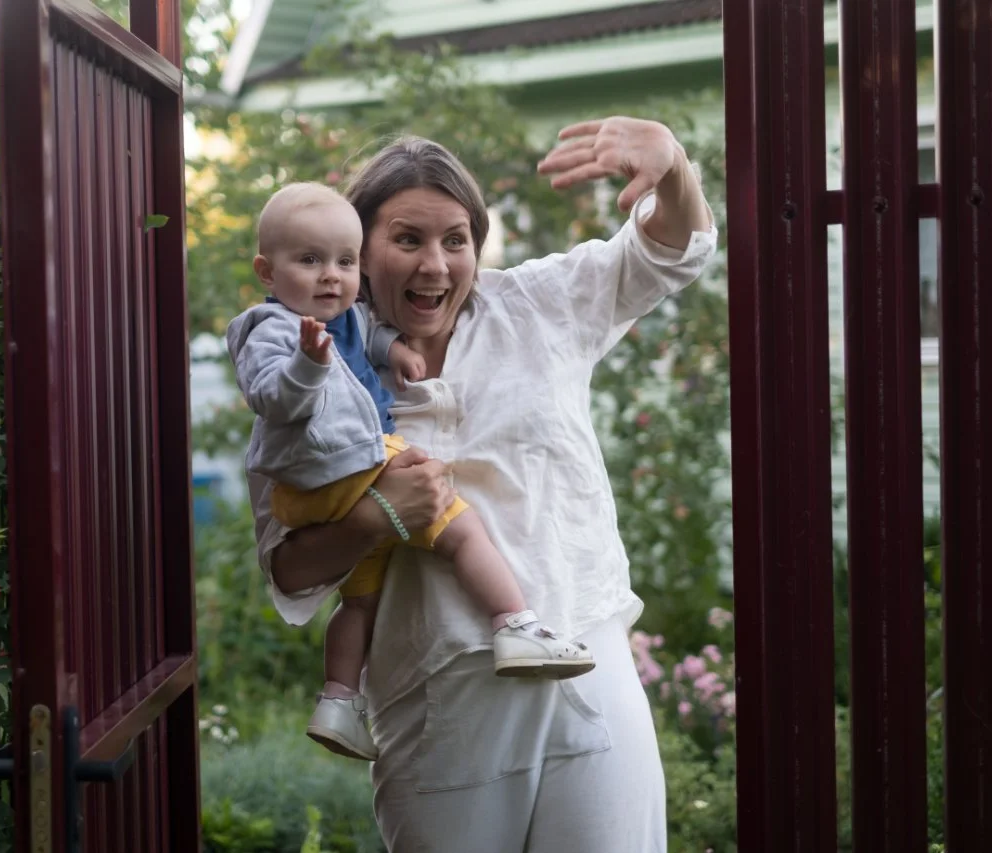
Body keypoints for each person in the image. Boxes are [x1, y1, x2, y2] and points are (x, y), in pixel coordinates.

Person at [245, 117, 716, 852]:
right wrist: (376, 518)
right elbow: (288, 566)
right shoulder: (309, 369)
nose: (435, 265)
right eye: (408, 239)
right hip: (437, 706)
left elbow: (666, 251)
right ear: (360, 250)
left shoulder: (537, 305)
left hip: (584, 667)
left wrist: (673, 166)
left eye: (456, 239)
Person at [227, 183, 595, 761]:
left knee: (360, 602)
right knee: (457, 523)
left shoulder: (344, 317)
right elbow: (271, 395)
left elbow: (365, 335)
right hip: (342, 465)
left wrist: (393, 348)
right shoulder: (273, 329)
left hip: (337, 481)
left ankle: (340, 701)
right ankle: (514, 624)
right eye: (310, 260)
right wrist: (307, 366)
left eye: (344, 262)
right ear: (266, 272)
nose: (331, 277)